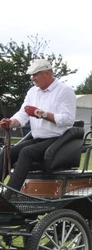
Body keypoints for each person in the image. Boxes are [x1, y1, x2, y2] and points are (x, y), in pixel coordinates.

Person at [0, 59, 77, 191]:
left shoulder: (64, 91)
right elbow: (23, 114)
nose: (32, 78)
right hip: (38, 139)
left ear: (46, 74)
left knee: (26, 152)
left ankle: (10, 194)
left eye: (35, 75)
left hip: (58, 139)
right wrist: (11, 122)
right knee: (7, 152)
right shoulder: (33, 92)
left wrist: (43, 114)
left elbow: (68, 119)